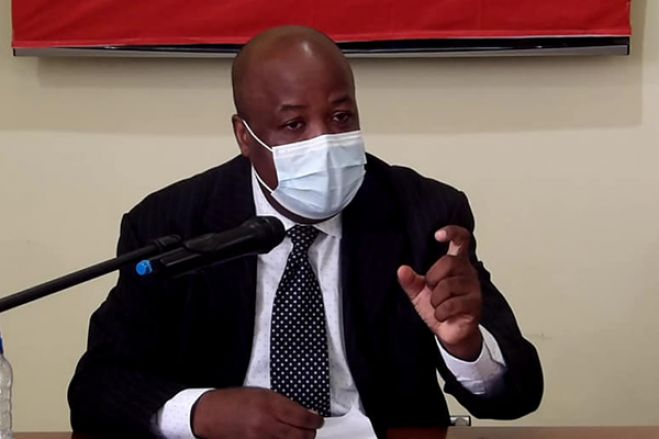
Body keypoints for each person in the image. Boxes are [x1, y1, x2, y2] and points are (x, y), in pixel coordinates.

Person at [68, 26, 543, 439]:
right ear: (244, 135)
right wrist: (200, 412)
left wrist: (465, 347)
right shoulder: (172, 224)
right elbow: (97, 386)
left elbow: (518, 395)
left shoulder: (424, 214)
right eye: (294, 124)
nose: (324, 141)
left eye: (341, 117)